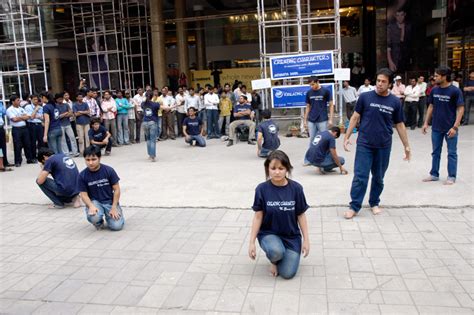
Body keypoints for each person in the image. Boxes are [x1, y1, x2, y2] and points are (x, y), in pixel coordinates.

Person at [343, 68, 411, 219]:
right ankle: (354, 206)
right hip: (364, 144)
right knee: (360, 176)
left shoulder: (395, 102)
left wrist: (407, 146)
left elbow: (400, 124)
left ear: (389, 84)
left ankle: (374, 202)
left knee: (379, 177)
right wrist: (347, 136)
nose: (379, 84)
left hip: (384, 145)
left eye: (383, 82)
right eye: (378, 81)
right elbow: (355, 117)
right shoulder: (365, 97)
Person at [248, 150, 309, 279]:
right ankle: (274, 259)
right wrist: (251, 242)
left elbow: (301, 215)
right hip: (269, 233)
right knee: (276, 252)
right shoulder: (261, 189)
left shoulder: (296, 189)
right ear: (267, 169)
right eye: (273, 168)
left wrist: (306, 240)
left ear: (287, 169)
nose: (277, 172)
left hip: (291, 236)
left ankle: (282, 254)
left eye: (281, 168)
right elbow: (258, 216)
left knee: (287, 274)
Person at [422, 66, 464, 185]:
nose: (434, 78)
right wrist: (426, 123)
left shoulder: (455, 91)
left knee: (451, 153)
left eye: (437, 76)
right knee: (435, 152)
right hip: (436, 127)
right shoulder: (434, 90)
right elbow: (431, 106)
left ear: (444, 77)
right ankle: (434, 174)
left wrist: (455, 127)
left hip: (450, 128)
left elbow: (461, 109)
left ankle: (451, 176)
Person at [77, 145, 124, 231]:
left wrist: (114, 207)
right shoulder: (82, 175)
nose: (90, 163)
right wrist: (91, 206)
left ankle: (113, 214)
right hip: (95, 202)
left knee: (116, 226)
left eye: (93, 159)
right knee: (94, 217)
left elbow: (117, 189)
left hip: (109, 202)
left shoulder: (109, 170)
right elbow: (83, 194)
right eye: (87, 160)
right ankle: (98, 222)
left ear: (99, 158)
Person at [303, 77, 334, 165]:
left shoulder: (326, 91)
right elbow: (308, 107)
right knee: (313, 140)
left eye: (313, 84)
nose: (312, 86)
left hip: (322, 119)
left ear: (318, 82)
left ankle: (325, 159)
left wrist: (331, 119)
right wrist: (305, 120)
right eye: (310, 85)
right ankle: (309, 159)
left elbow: (331, 105)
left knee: (324, 140)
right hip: (311, 120)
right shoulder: (309, 93)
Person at [6, 95, 35, 166]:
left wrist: (20, 117)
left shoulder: (21, 108)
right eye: (18, 100)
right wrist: (23, 117)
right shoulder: (10, 109)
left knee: (27, 144)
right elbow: (14, 119)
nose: (19, 101)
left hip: (24, 128)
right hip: (16, 129)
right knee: (17, 145)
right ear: (13, 102)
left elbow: (28, 116)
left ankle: (29, 159)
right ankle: (18, 161)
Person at [141, 92, 161, 161]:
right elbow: (161, 107)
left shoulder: (143, 104)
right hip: (152, 122)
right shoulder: (155, 104)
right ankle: (153, 156)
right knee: (153, 140)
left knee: (148, 139)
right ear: (152, 96)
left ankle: (150, 155)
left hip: (145, 122)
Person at [0, 101, 13, 167]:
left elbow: (4, 112)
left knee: (3, 146)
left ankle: (5, 162)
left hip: (1, 127)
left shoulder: (0, 103)